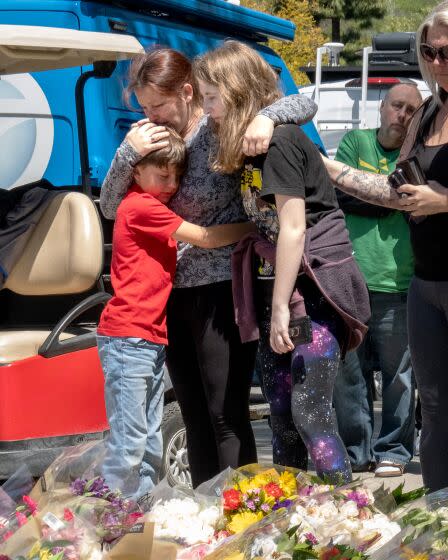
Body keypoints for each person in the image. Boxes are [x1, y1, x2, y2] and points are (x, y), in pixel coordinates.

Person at [99, 47, 317, 488]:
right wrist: (126, 152)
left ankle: (240, 508)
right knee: (193, 411)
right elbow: (109, 205)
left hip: (222, 287)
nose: (152, 115)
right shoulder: (150, 139)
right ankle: (204, 511)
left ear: (186, 92)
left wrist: (267, 118)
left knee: (225, 411)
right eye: (143, 107)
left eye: (158, 105)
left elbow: (305, 103)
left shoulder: (217, 124)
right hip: (172, 291)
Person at [193, 40, 371, 484]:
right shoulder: (248, 145)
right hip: (278, 288)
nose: (206, 108)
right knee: (281, 417)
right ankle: (290, 522)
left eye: (212, 98)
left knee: (311, 416)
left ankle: (349, 520)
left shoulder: (281, 143)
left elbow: (294, 228)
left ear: (235, 92)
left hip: (311, 296)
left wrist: (276, 311)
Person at [323, 0, 448, 492]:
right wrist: (329, 168)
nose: (437, 60)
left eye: (447, 50)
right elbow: (396, 195)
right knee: (434, 408)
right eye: (429, 50)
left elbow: (431, 198)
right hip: (425, 282)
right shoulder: (428, 112)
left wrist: (443, 200)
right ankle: (439, 518)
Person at [97, 129, 256, 498]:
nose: (171, 185)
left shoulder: (153, 204)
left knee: (150, 439)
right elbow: (205, 237)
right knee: (131, 442)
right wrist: (257, 225)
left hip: (146, 336)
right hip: (129, 336)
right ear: (135, 173)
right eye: (162, 175)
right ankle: (115, 518)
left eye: (177, 177)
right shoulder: (141, 206)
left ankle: (141, 517)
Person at [332, 83, 423, 477]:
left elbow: (416, 208)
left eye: (410, 110)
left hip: (399, 282)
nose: (401, 115)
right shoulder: (356, 141)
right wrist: (392, 201)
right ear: (382, 108)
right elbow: (341, 196)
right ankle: (356, 452)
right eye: (396, 106)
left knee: (398, 376)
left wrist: (372, 196)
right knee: (347, 374)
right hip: (350, 281)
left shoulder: (418, 154)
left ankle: (395, 452)